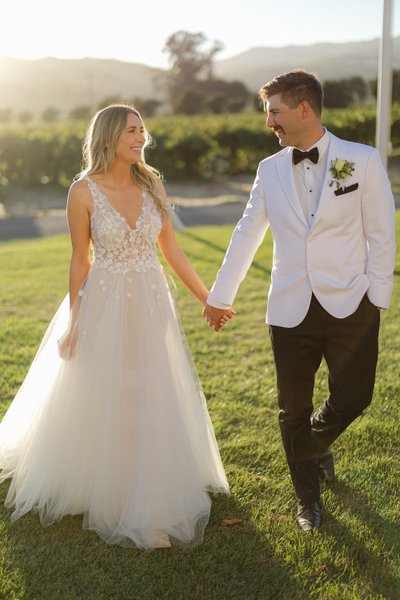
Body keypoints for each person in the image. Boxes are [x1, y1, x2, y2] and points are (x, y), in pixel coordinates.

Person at [0, 104, 231, 549]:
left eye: (143, 129)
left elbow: (174, 251)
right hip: (104, 301)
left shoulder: (152, 184)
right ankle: (114, 486)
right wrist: (74, 321)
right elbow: (79, 260)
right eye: (132, 130)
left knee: (149, 388)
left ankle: (152, 484)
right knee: (109, 390)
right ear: (108, 136)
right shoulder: (82, 192)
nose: (141, 136)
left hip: (149, 300)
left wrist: (209, 298)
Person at [203, 70, 396, 532]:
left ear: (304, 109)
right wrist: (220, 294)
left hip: (353, 303)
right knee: (293, 406)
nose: (269, 122)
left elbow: (382, 234)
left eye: (274, 112)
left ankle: (311, 444)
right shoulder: (269, 170)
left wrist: (376, 298)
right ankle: (306, 501)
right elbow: (247, 231)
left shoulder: (362, 161)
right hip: (290, 308)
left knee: (355, 397)